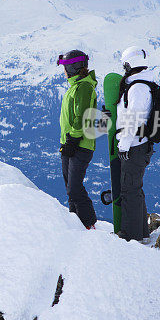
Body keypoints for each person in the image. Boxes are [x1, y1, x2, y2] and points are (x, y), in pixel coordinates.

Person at [115, 45, 155, 241]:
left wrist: (124, 144)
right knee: (135, 188)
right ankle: (141, 232)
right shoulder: (142, 84)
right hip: (140, 143)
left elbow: (133, 118)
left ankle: (131, 235)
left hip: (135, 145)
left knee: (129, 189)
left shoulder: (137, 87)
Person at [57, 50, 97, 229]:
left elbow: (81, 117)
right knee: (69, 189)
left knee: (74, 187)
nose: (63, 71)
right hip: (70, 143)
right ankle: (75, 224)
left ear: (73, 67)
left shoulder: (84, 87)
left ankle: (88, 224)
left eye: (65, 67)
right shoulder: (74, 87)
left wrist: (72, 140)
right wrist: (67, 143)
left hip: (80, 144)